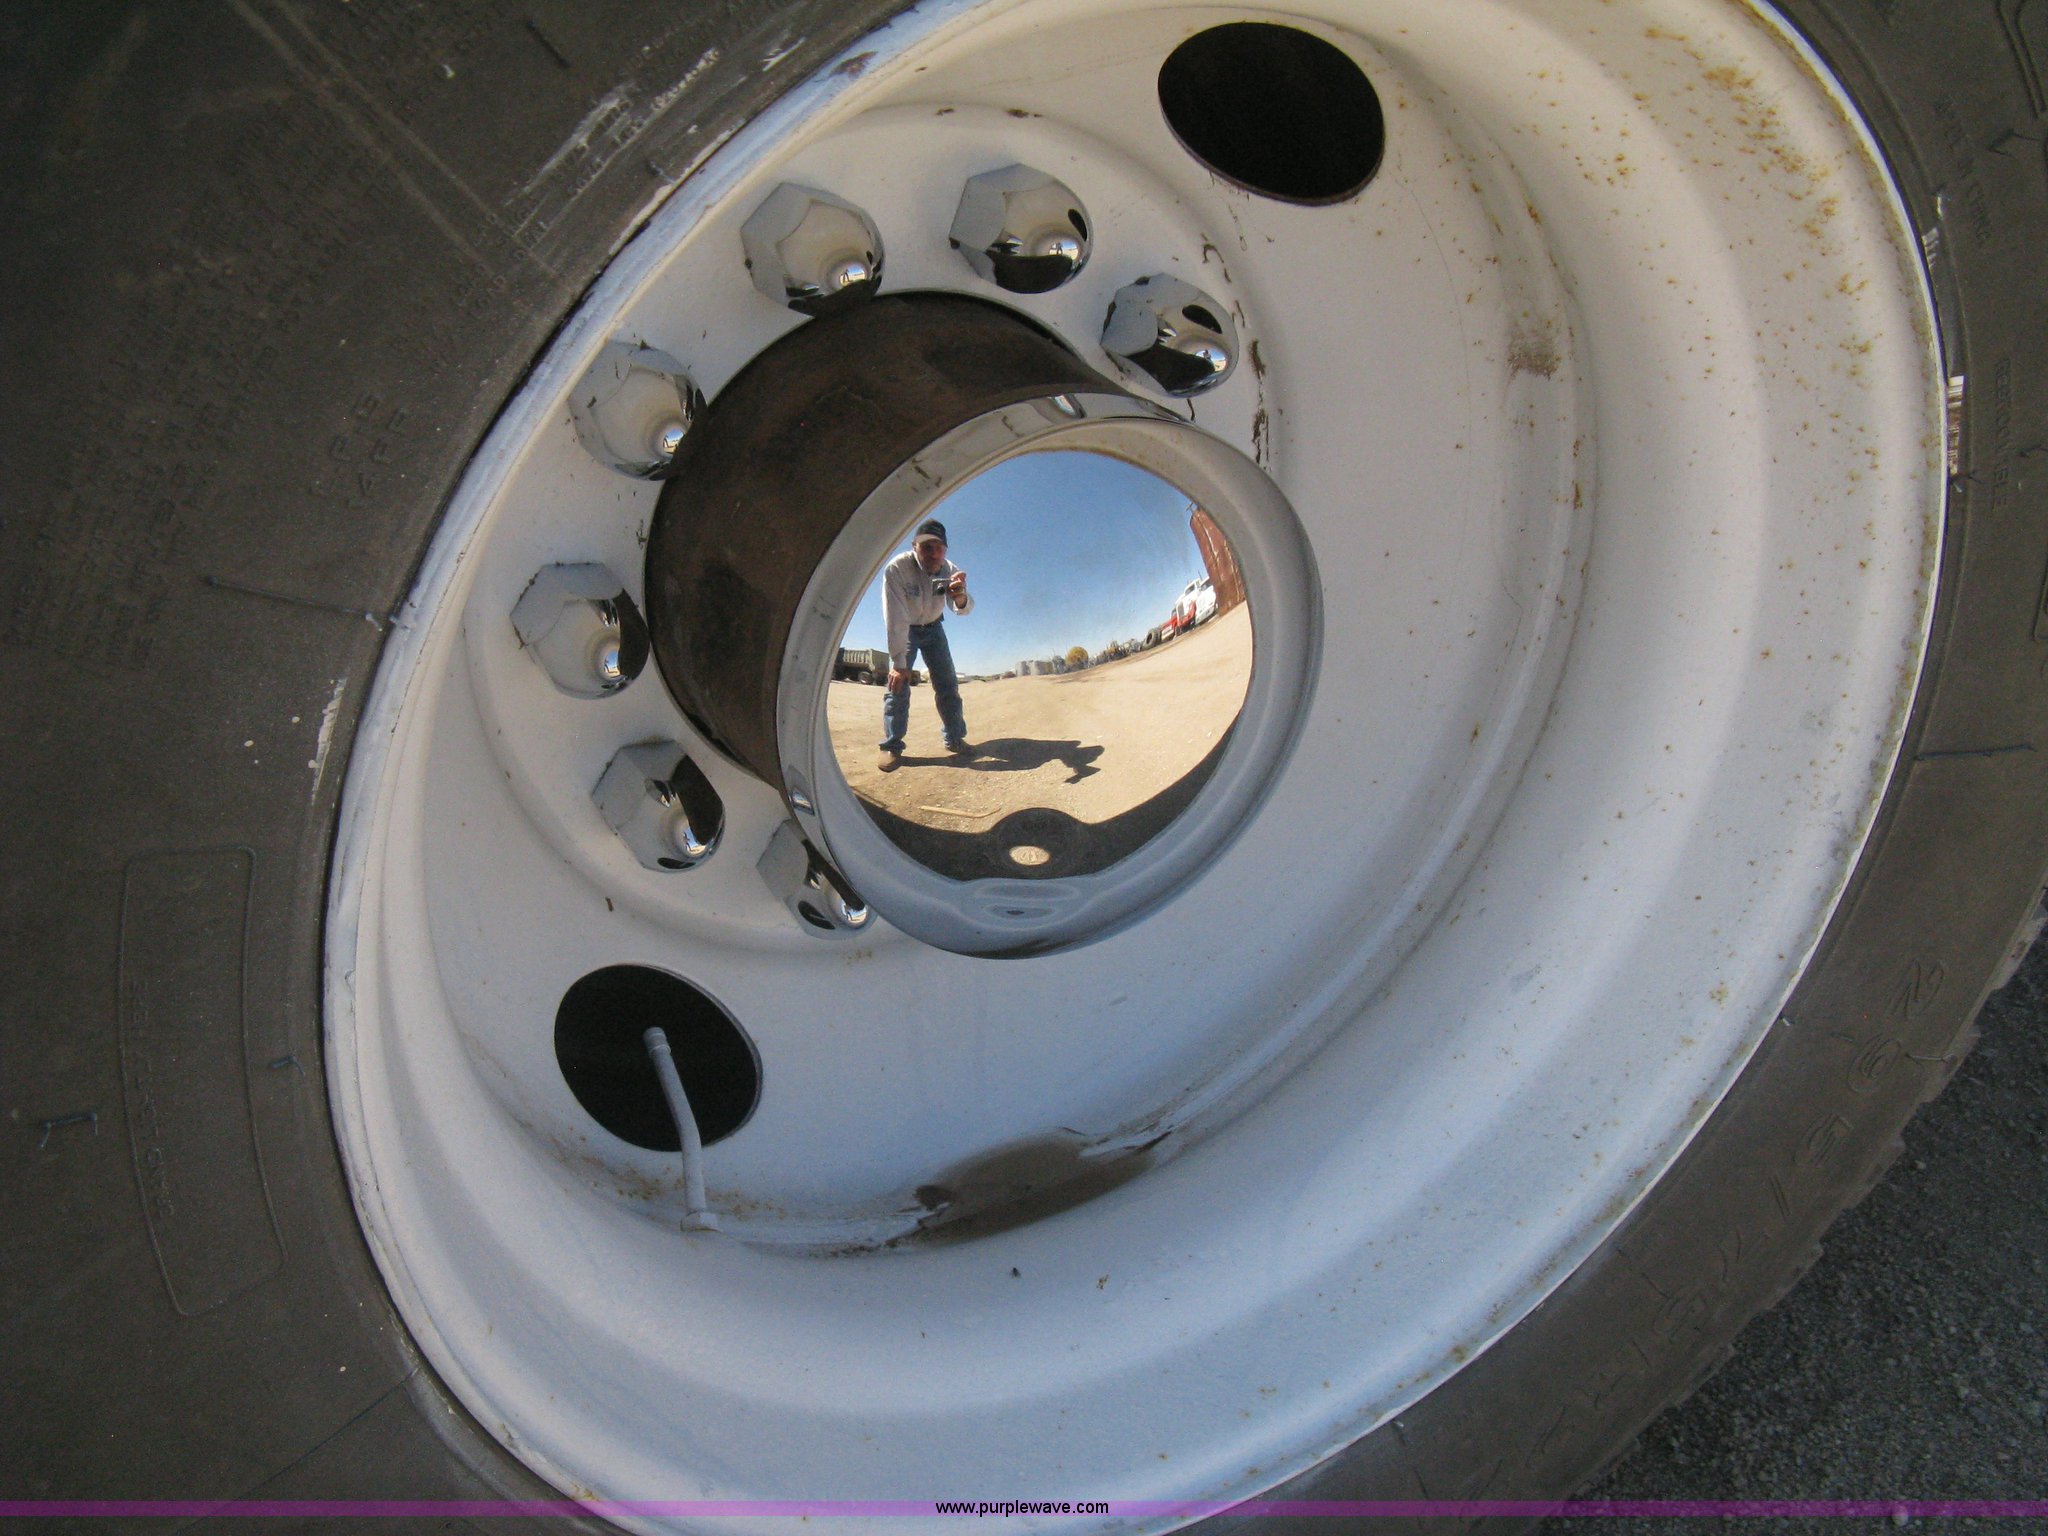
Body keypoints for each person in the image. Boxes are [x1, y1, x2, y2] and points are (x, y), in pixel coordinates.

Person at [878, 518, 973, 769]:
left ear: (945, 550)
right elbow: (895, 616)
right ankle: (892, 746)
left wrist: (960, 597)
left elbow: (962, 609)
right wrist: (899, 662)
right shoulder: (898, 568)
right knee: (897, 685)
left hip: (934, 628)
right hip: (907, 629)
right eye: (926, 547)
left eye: (939, 548)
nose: (933, 554)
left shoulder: (950, 569)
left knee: (948, 685)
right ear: (914, 547)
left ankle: (955, 739)